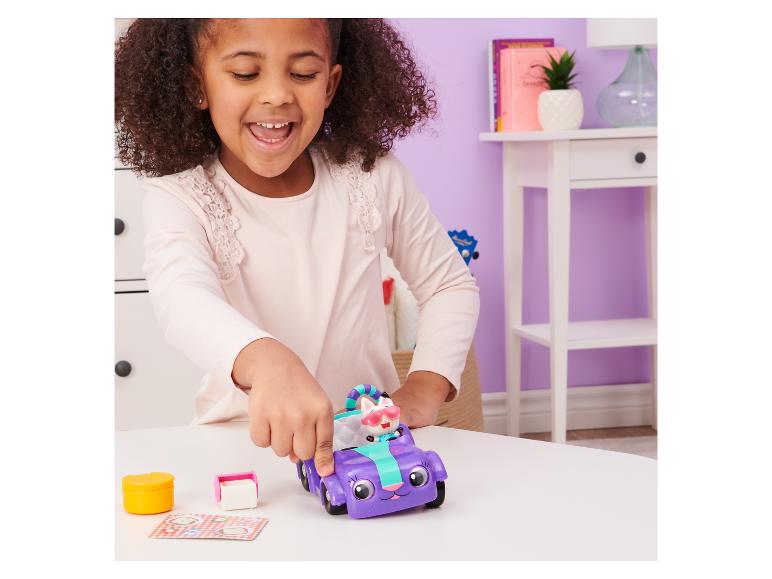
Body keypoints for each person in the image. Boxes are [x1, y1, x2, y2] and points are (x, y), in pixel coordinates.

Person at [114, 18, 479, 478]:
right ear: (196, 85)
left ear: (330, 85)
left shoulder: (371, 175)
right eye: (246, 73)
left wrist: (427, 382)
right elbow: (182, 298)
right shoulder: (180, 194)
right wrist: (268, 362)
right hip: (243, 450)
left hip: (371, 445)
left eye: (303, 74)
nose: (276, 95)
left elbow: (448, 284)